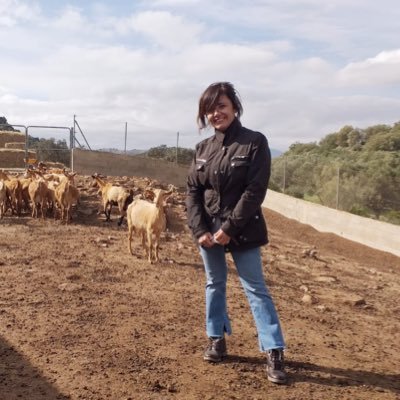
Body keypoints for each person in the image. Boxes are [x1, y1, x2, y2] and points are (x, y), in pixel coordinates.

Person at [186, 82, 287, 384]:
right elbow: (192, 190)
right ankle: (216, 338)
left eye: (221, 106)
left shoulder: (254, 142)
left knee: (255, 288)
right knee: (214, 283)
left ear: (234, 108)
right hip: (209, 231)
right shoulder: (203, 149)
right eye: (210, 108)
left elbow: (255, 191)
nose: (216, 113)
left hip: (242, 228)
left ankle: (273, 350)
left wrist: (228, 229)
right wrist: (200, 229)